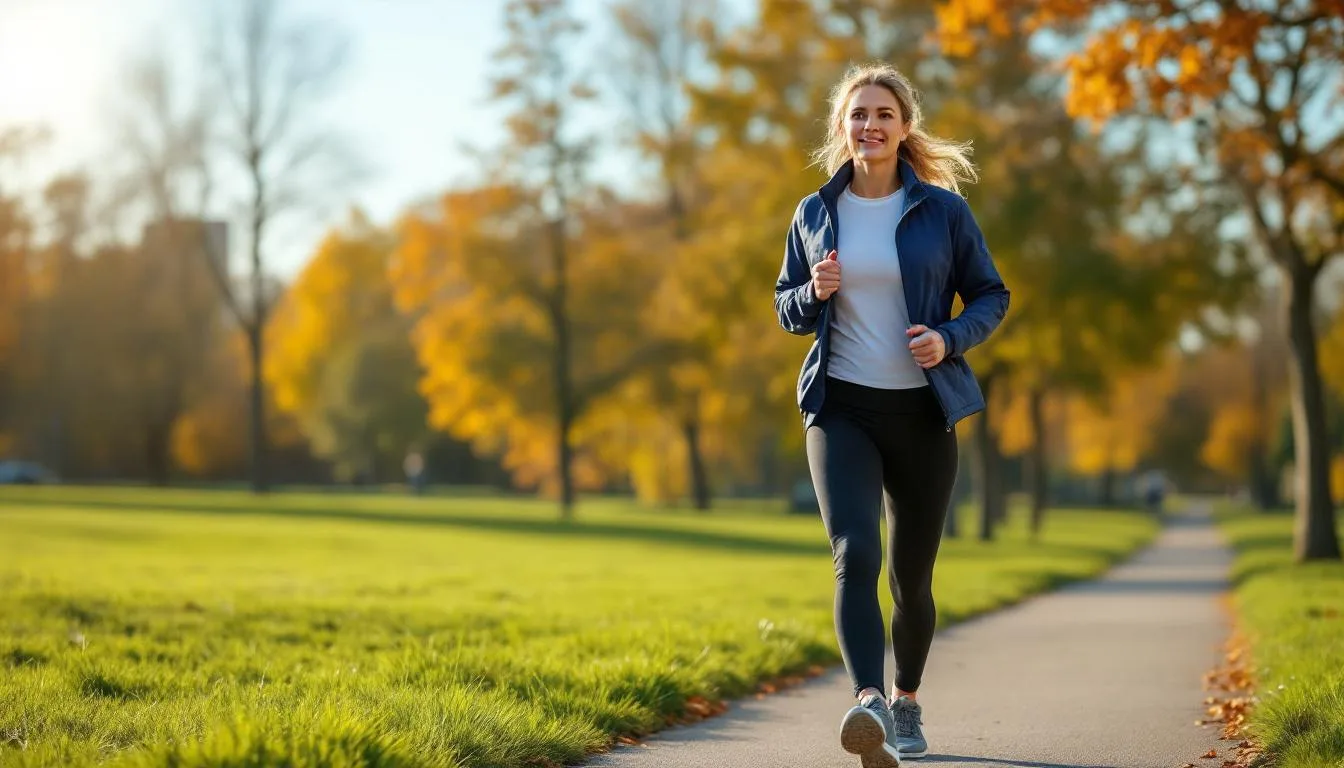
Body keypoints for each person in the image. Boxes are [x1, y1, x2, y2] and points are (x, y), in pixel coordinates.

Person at [774, 63, 1010, 765]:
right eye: (857, 115)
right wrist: (812, 292)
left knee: (912, 577)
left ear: (905, 128)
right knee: (856, 553)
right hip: (839, 407)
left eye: (882, 114)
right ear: (841, 128)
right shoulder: (814, 212)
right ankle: (867, 701)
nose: (868, 126)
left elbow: (991, 295)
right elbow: (786, 307)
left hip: (920, 412)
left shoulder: (943, 211)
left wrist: (950, 338)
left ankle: (905, 700)